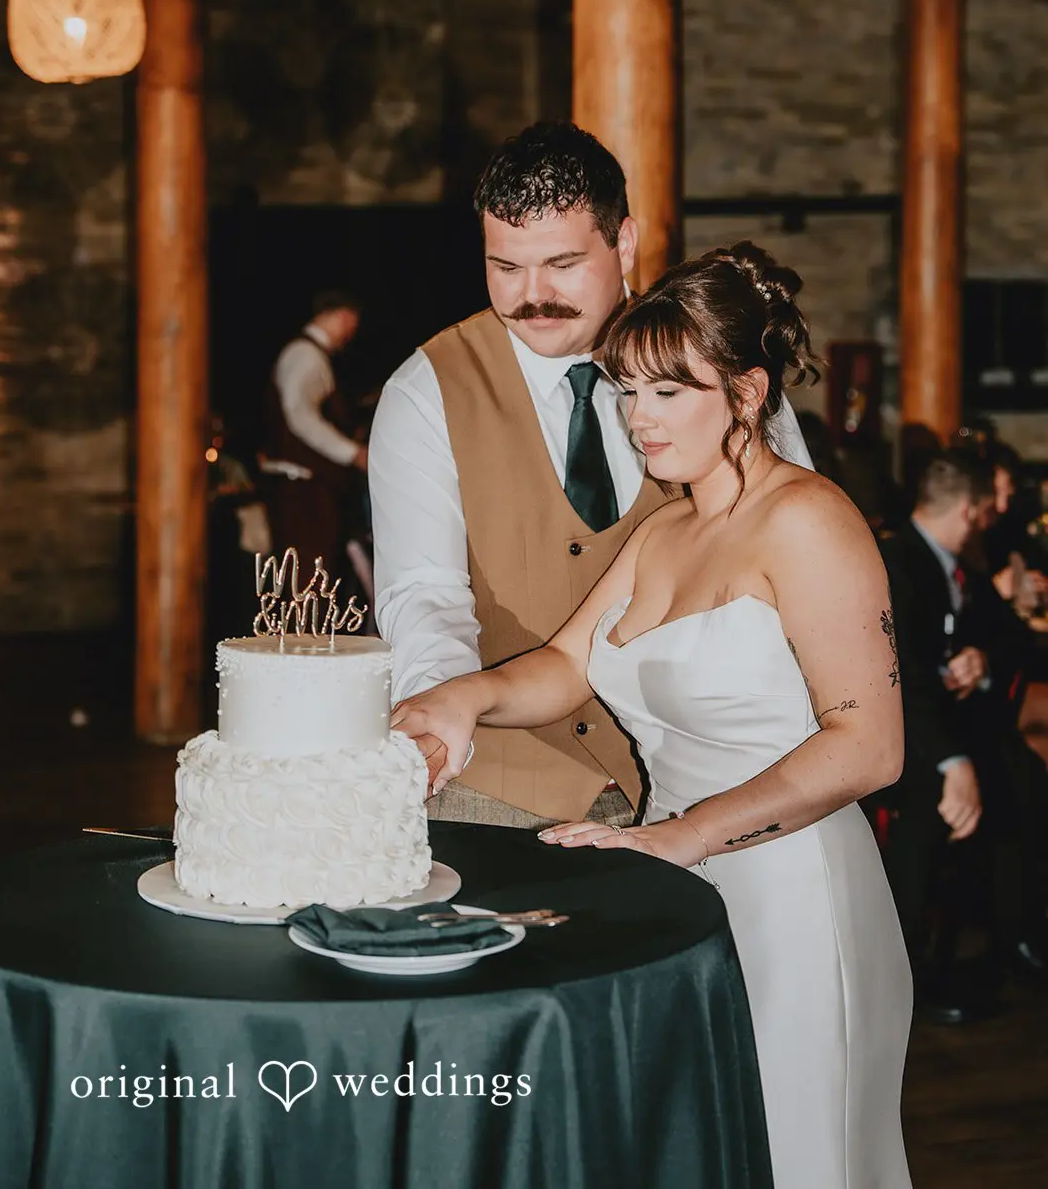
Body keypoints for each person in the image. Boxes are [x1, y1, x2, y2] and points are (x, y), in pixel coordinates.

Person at [392, 242, 911, 1189]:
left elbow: (869, 747)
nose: (638, 420)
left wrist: (683, 837)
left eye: (668, 393)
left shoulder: (809, 520)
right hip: (683, 888)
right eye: (627, 392)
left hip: (792, 896)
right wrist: (454, 700)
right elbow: (562, 665)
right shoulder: (664, 529)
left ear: (746, 394)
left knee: (800, 1161)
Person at [369, 123, 812, 829]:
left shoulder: (715, 358)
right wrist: (446, 709)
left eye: (562, 263)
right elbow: (423, 592)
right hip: (500, 781)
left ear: (623, 242)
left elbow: (798, 558)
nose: (531, 296)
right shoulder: (425, 391)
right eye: (505, 267)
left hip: (700, 778)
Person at [880, 452, 1048, 1017]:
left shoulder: (961, 566)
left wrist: (982, 658)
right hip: (896, 735)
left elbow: (1010, 638)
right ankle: (907, 975)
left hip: (950, 727)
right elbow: (899, 679)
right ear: (971, 510)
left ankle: (1014, 935)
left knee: (1024, 773)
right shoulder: (895, 562)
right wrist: (953, 761)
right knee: (933, 804)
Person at [260, 289, 368, 585]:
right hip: (302, 488)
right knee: (307, 579)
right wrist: (353, 453)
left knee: (312, 577)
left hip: (310, 486)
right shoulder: (305, 355)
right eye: (351, 323)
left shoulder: (311, 355)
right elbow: (300, 415)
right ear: (342, 316)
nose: (350, 332)